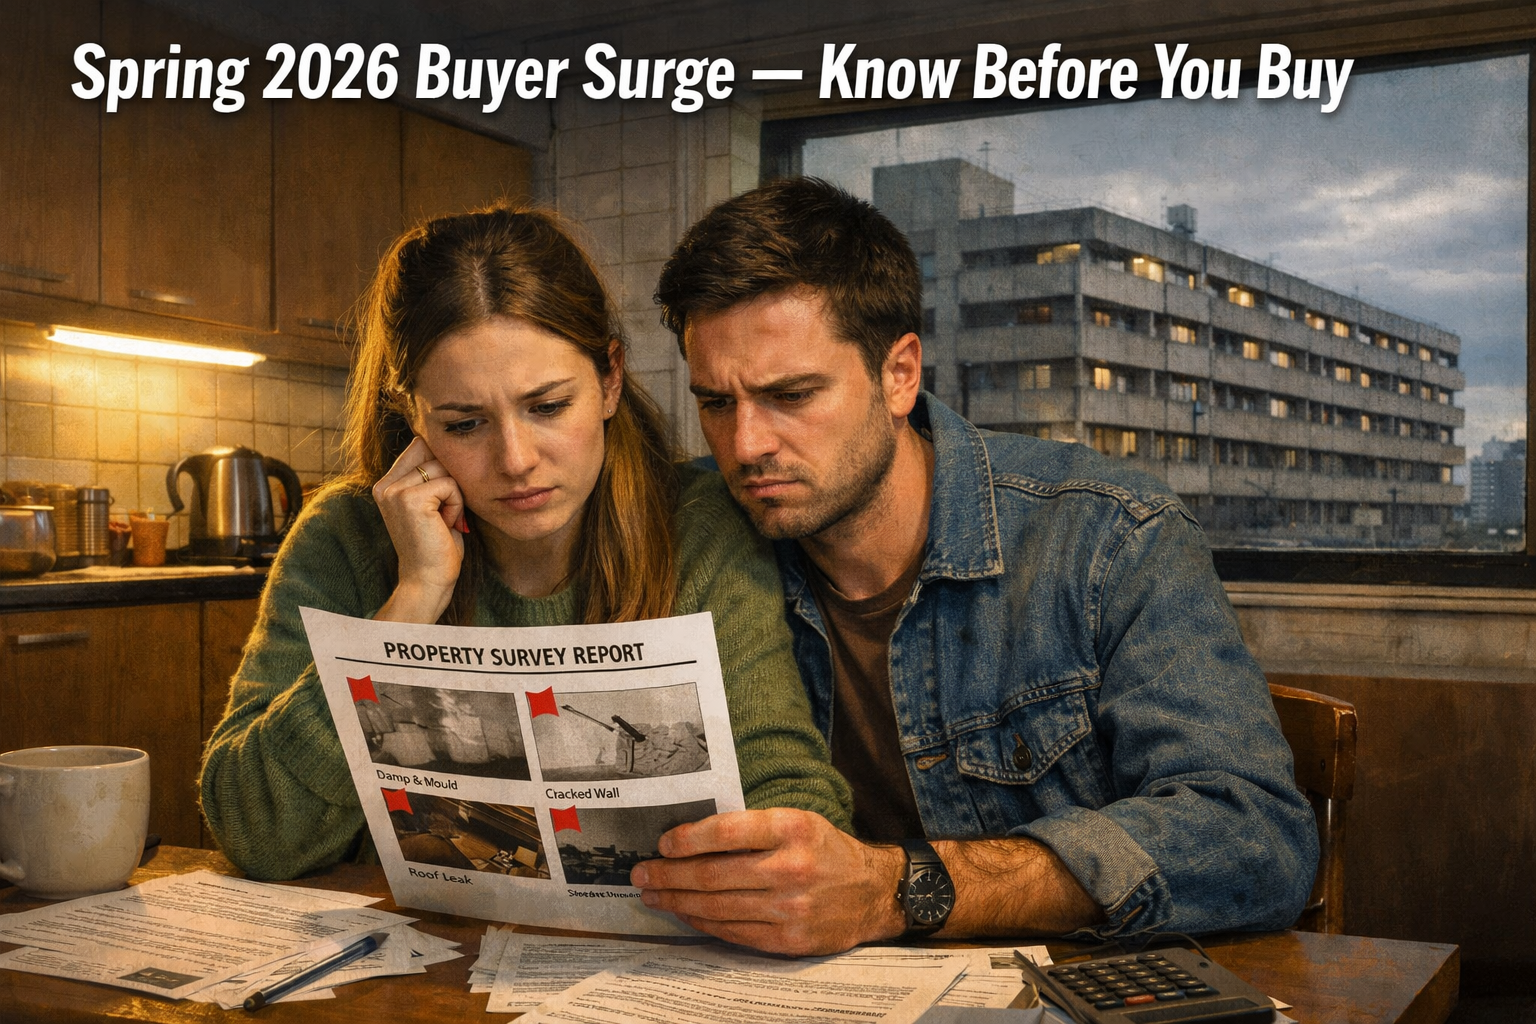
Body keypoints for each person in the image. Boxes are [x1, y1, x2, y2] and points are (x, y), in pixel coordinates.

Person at [632, 178, 1319, 955]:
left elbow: (1256, 839)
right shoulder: (697, 528)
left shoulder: (1106, 534)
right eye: (716, 404)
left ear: (899, 374)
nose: (747, 444)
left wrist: (898, 891)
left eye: (791, 394)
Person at [199, 207, 851, 881]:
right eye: (464, 423)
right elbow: (257, 834)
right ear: (411, 414)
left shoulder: (699, 525)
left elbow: (788, 791)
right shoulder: (345, 539)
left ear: (608, 380)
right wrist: (409, 605)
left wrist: (778, 867)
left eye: (546, 408)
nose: (515, 460)